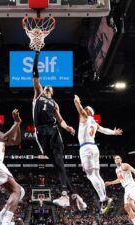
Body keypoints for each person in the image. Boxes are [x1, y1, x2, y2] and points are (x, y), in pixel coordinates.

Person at [31, 51, 86, 209]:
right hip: (40, 132)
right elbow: (35, 75)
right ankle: (74, 195)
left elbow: (60, 120)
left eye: (50, 88)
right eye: (46, 86)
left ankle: (64, 195)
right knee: (57, 165)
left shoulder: (55, 104)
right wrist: (36, 55)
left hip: (54, 129)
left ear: (52, 92)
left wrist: (67, 127)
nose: (47, 87)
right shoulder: (38, 94)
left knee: (59, 161)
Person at [73, 94, 123, 214]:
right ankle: (105, 197)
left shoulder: (85, 117)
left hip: (86, 148)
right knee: (97, 175)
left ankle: (103, 199)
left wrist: (77, 102)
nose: (83, 110)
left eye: (85, 109)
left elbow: (79, 109)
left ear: (88, 112)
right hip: (94, 148)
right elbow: (104, 130)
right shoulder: (94, 123)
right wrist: (114, 132)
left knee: (91, 176)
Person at [105, 155, 135, 225]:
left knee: (131, 203)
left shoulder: (125, 165)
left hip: (131, 185)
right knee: (126, 207)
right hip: (126, 188)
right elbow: (120, 179)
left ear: (121, 159)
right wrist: (110, 183)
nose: (117, 160)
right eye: (115, 159)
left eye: (118, 158)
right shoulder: (116, 170)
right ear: (114, 161)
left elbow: (134, 171)